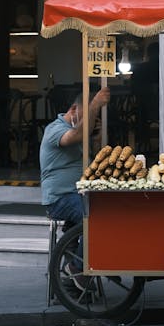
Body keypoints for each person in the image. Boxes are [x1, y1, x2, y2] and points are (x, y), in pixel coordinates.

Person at [39, 87, 111, 229]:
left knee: (109, 211)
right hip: (61, 197)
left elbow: (96, 164)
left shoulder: (84, 134)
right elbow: (74, 136)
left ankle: (71, 244)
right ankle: (82, 252)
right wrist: (95, 104)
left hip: (81, 193)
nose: (89, 123)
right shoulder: (54, 129)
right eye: (87, 116)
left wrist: (97, 140)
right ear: (73, 109)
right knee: (93, 220)